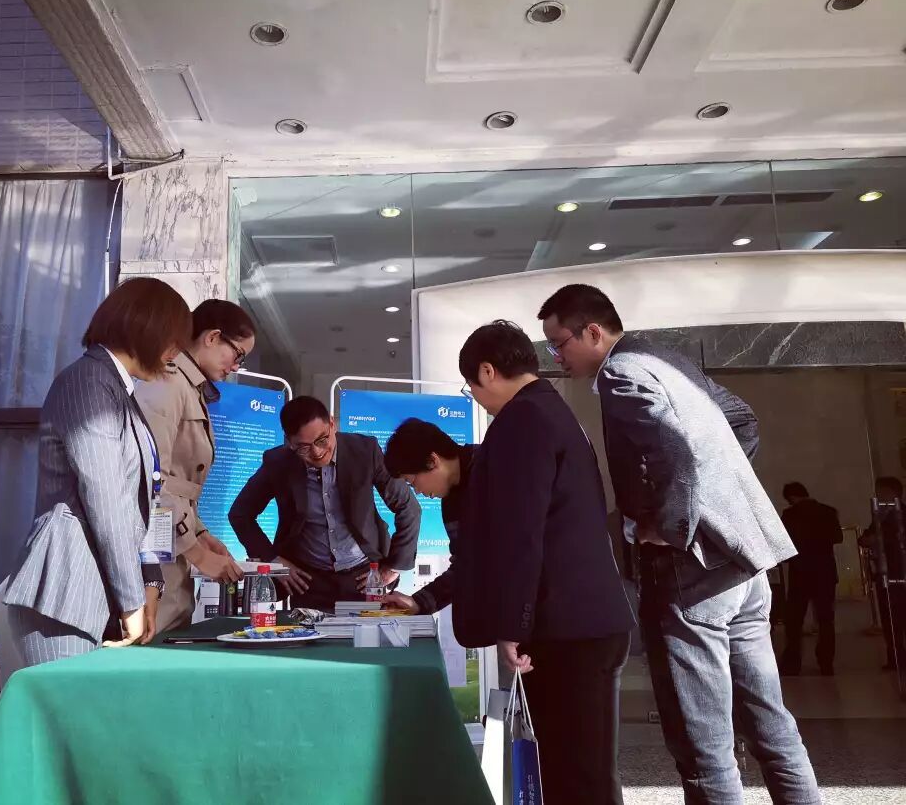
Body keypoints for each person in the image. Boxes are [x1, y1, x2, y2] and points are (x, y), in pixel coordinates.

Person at [539, 284, 819, 804]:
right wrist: (720, 503)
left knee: (703, 747)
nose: (557, 357)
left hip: (692, 571)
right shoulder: (666, 359)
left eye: (559, 344)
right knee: (772, 728)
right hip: (744, 562)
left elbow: (678, 454)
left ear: (593, 332)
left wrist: (670, 525)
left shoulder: (621, 373)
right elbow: (742, 420)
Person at [453, 320, 635, 805]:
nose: (477, 398)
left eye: (472, 386)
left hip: (567, 626)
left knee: (576, 777)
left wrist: (512, 623)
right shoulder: (552, 411)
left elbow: (521, 530)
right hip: (586, 621)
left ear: (487, 371)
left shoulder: (523, 420)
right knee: (584, 773)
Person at [3, 277, 192, 666]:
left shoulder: (118, 390)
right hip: (64, 597)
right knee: (70, 707)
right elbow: (107, 499)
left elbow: (144, 502)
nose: (175, 353)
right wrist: (132, 600)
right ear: (144, 327)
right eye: (173, 339)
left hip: (98, 597)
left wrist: (150, 581)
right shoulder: (88, 381)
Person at [228, 396, 421, 612]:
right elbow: (240, 515)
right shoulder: (279, 463)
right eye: (303, 447)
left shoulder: (365, 451)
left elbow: (407, 506)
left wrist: (394, 566)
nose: (317, 452)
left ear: (332, 424)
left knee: (369, 632)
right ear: (289, 442)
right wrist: (274, 560)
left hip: (364, 576)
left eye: (322, 440)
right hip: (308, 581)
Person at [134, 299, 252, 632]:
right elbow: (150, 481)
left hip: (170, 544)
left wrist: (201, 535)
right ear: (212, 337)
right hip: (154, 549)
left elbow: (179, 485)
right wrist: (198, 553)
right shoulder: (167, 384)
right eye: (238, 355)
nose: (236, 367)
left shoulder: (189, 388)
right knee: (152, 638)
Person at [379, 418, 475, 615]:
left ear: (432, 461)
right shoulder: (451, 501)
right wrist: (418, 603)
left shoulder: (497, 472)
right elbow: (466, 567)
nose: (417, 491)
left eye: (412, 481)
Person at [780, 482, 842, 676]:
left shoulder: (790, 515)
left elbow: (783, 543)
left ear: (791, 497)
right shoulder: (828, 511)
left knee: (794, 620)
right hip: (825, 572)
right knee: (825, 619)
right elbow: (838, 537)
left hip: (800, 573)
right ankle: (826, 663)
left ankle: (792, 663)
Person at [860, 476, 906, 671]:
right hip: (884, 572)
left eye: (882, 491)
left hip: (900, 570)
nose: (879, 495)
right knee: (889, 617)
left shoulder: (901, 514)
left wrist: (879, 539)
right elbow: (866, 538)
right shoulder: (879, 515)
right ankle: (895, 657)